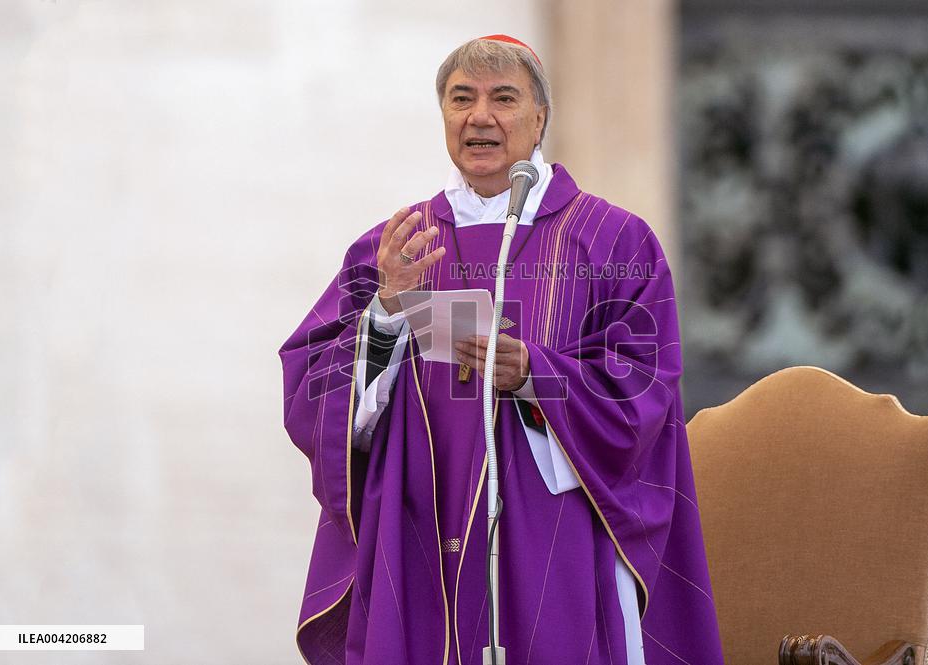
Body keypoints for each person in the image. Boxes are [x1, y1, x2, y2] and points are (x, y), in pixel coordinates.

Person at [279, 35, 724, 665]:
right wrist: (384, 312)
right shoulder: (393, 247)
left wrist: (538, 374)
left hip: (559, 533)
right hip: (419, 529)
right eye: (461, 99)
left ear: (540, 118)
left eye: (503, 99)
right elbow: (312, 393)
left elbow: (645, 387)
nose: (479, 117)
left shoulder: (614, 241)